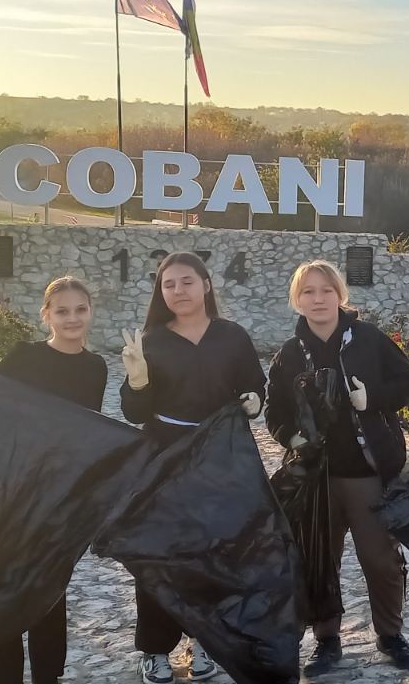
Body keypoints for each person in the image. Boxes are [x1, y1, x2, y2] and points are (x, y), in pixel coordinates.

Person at [264, 260, 409, 677]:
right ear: (297, 301)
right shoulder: (288, 354)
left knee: (382, 559)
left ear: (340, 295)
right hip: (314, 478)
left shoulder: (368, 339)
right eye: (308, 292)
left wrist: (372, 401)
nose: (318, 299)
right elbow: (274, 411)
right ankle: (326, 640)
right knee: (319, 559)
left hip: (367, 472)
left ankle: (390, 635)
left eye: (326, 290)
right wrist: (291, 438)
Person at [118, 252, 267, 684]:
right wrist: (138, 380)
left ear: (205, 285)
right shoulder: (152, 341)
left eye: (186, 281)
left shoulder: (232, 335)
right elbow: (133, 412)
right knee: (160, 551)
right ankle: (155, 649)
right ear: (160, 292)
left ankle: (205, 641)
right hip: (165, 456)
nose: (178, 290)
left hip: (222, 454)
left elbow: (254, 384)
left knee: (215, 550)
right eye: (169, 284)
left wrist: (254, 400)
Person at [0, 276, 108, 684]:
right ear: (46, 316)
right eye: (62, 310)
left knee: (49, 595)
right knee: (5, 593)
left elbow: (85, 432)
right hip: (15, 491)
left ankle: (47, 678)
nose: (72, 318)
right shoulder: (24, 357)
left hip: (61, 499)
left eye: (80, 310)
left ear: (90, 312)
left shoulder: (95, 367)